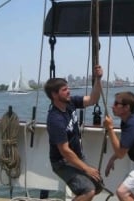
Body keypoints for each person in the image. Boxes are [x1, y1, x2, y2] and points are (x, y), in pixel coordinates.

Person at [44, 65, 103, 201]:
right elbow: (64, 150)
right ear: (54, 95)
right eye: (65, 90)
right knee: (88, 191)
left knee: (98, 184)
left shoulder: (70, 103)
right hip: (62, 162)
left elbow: (93, 99)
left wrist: (98, 79)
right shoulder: (55, 119)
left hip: (77, 156)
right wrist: (86, 169)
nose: (68, 92)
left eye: (68, 88)